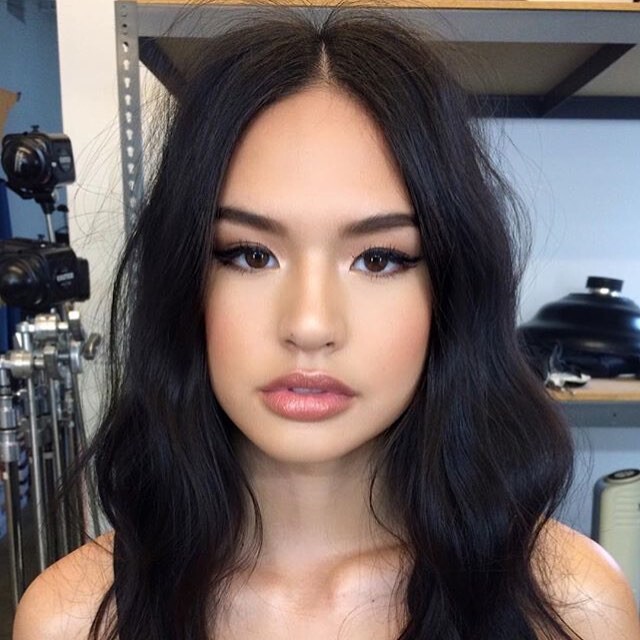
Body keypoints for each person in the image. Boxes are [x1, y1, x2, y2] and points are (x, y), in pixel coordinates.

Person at [12, 8, 640, 640]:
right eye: (249, 255)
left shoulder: (573, 610)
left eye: (379, 259)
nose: (310, 325)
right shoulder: (72, 619)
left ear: (451, 291)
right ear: (184, 283)